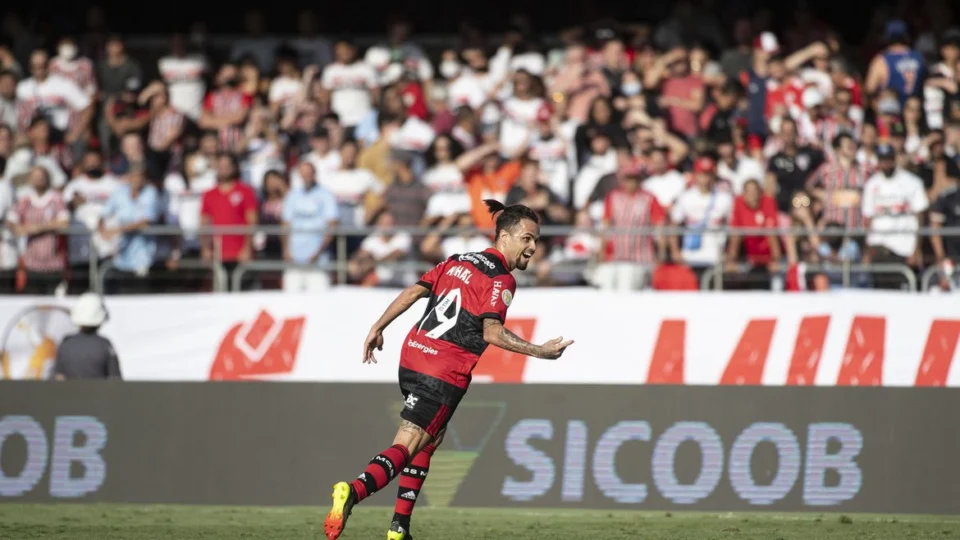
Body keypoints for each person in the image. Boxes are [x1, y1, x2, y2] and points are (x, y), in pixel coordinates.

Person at [322, 200, 574, 540]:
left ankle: (399, 527)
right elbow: (492, 332)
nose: (532, 247)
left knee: (431, 436)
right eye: (527, 238)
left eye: (536, 240)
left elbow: (414, 291)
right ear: (504, 237)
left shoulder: (458, 261)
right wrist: (539, 351)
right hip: (443, 369)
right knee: (409, 441)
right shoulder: (501, 279)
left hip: (412, 357)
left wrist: (377, 327)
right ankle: (352, 491)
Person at [53, 292, 121, 380]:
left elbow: (58, 378)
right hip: (99, 393)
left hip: (69, 393)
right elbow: (116, 380)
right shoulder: (105, 345)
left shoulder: (66, 344)